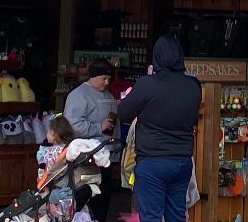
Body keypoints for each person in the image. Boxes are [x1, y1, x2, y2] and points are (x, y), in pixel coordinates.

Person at [118, 34, 202, 222]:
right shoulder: (193, 86)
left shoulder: (148, 84)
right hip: (182, 161)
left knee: (151, 217)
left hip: (152, 161)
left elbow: (124, 114)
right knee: (177, 217)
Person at [64, 60, 117, 222]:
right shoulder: (78, 95)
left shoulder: (108, 95)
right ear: (92, 76)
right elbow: (72, 125)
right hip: (86, 159)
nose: (107, 83)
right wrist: (98, 127)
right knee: (87, 197)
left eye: (109, 79)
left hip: (106, 156)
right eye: (103, 78)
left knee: (104, 197)